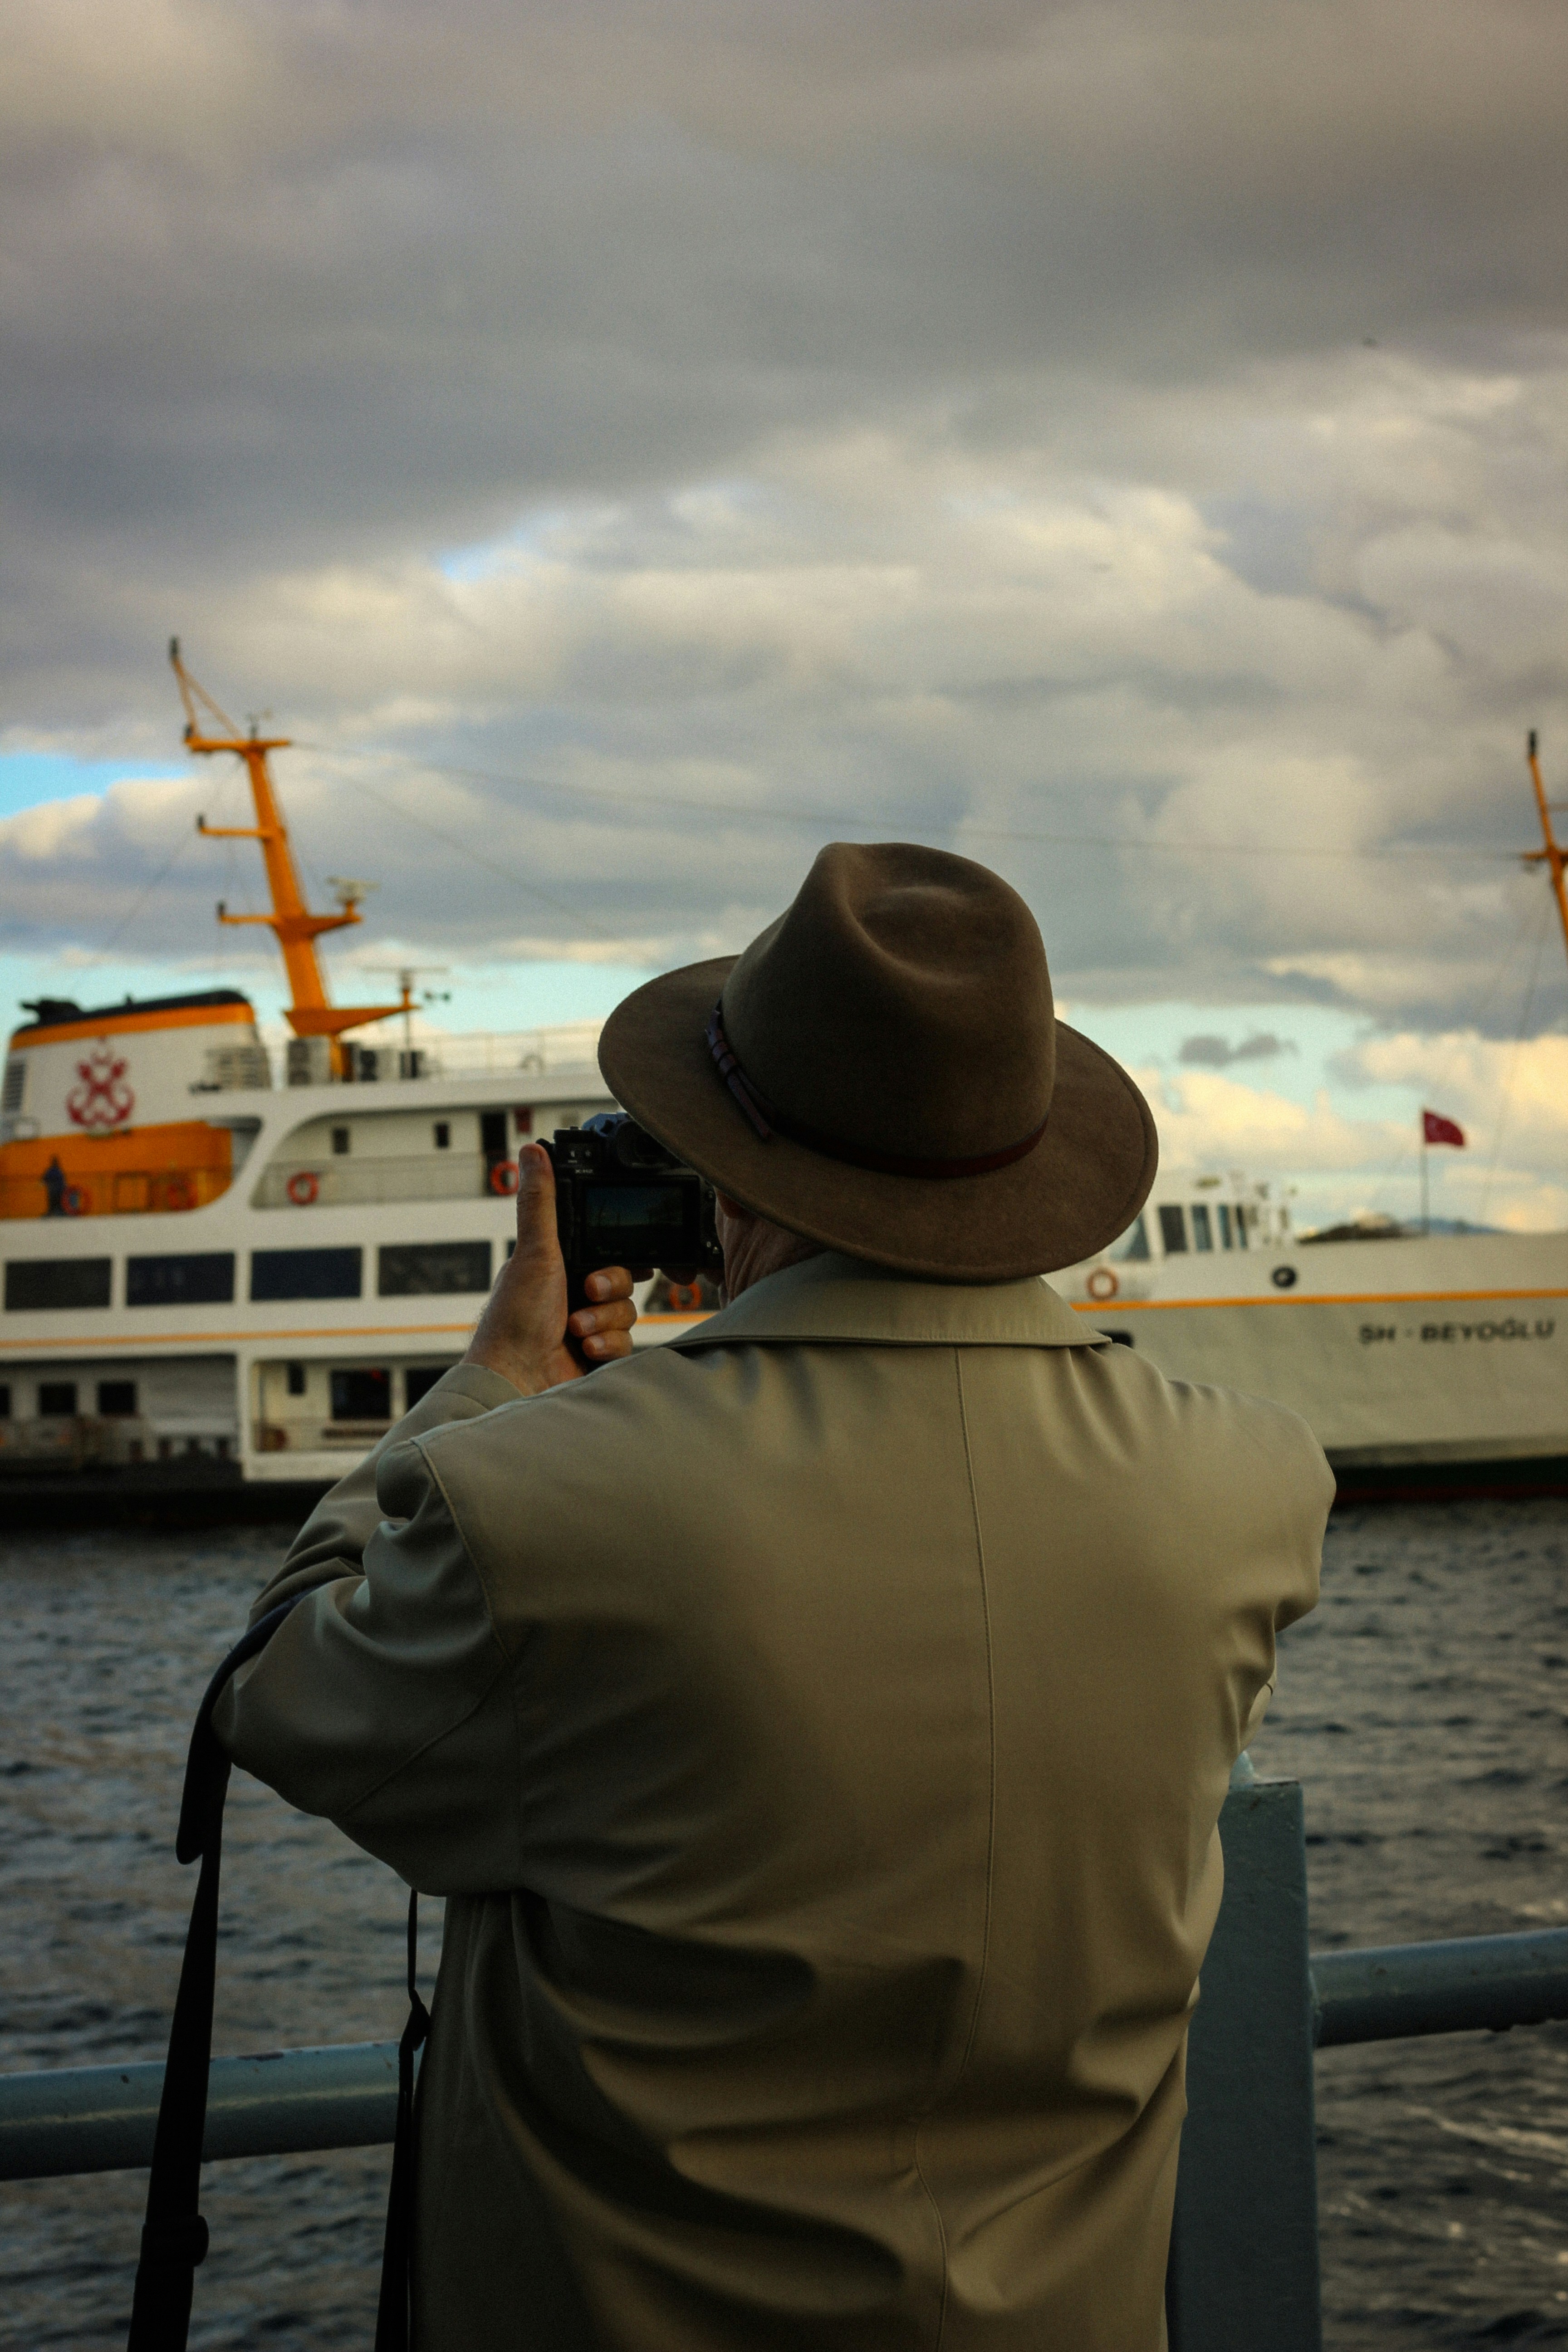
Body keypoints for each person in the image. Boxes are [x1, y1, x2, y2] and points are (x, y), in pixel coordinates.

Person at [216, 842, 1332, 2351]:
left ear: (722, 1168)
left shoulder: (544, 1497)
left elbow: (276, 1695)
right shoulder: (1250, 1493)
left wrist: (491, 1384)